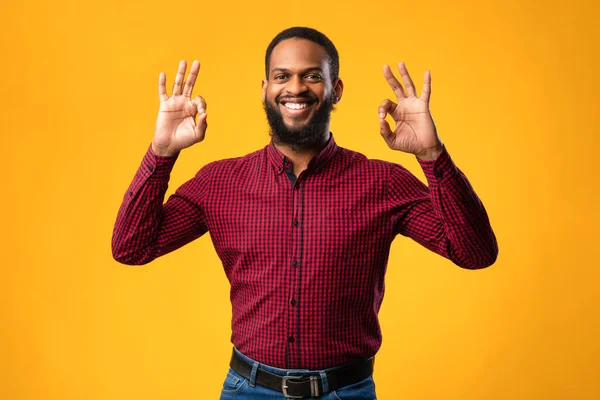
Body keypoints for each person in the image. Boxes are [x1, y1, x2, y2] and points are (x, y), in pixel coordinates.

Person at [112, 26, 498, 400]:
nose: (295, 88)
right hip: (248, 391)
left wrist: (431, 155)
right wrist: (162, 151)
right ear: (266, 89)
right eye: (282, 76)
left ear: (336, 90)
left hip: (346, 392)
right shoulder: (219, 183)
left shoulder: (382, 182)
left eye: (312, 76)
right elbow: (131, 248)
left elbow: (474, 253)